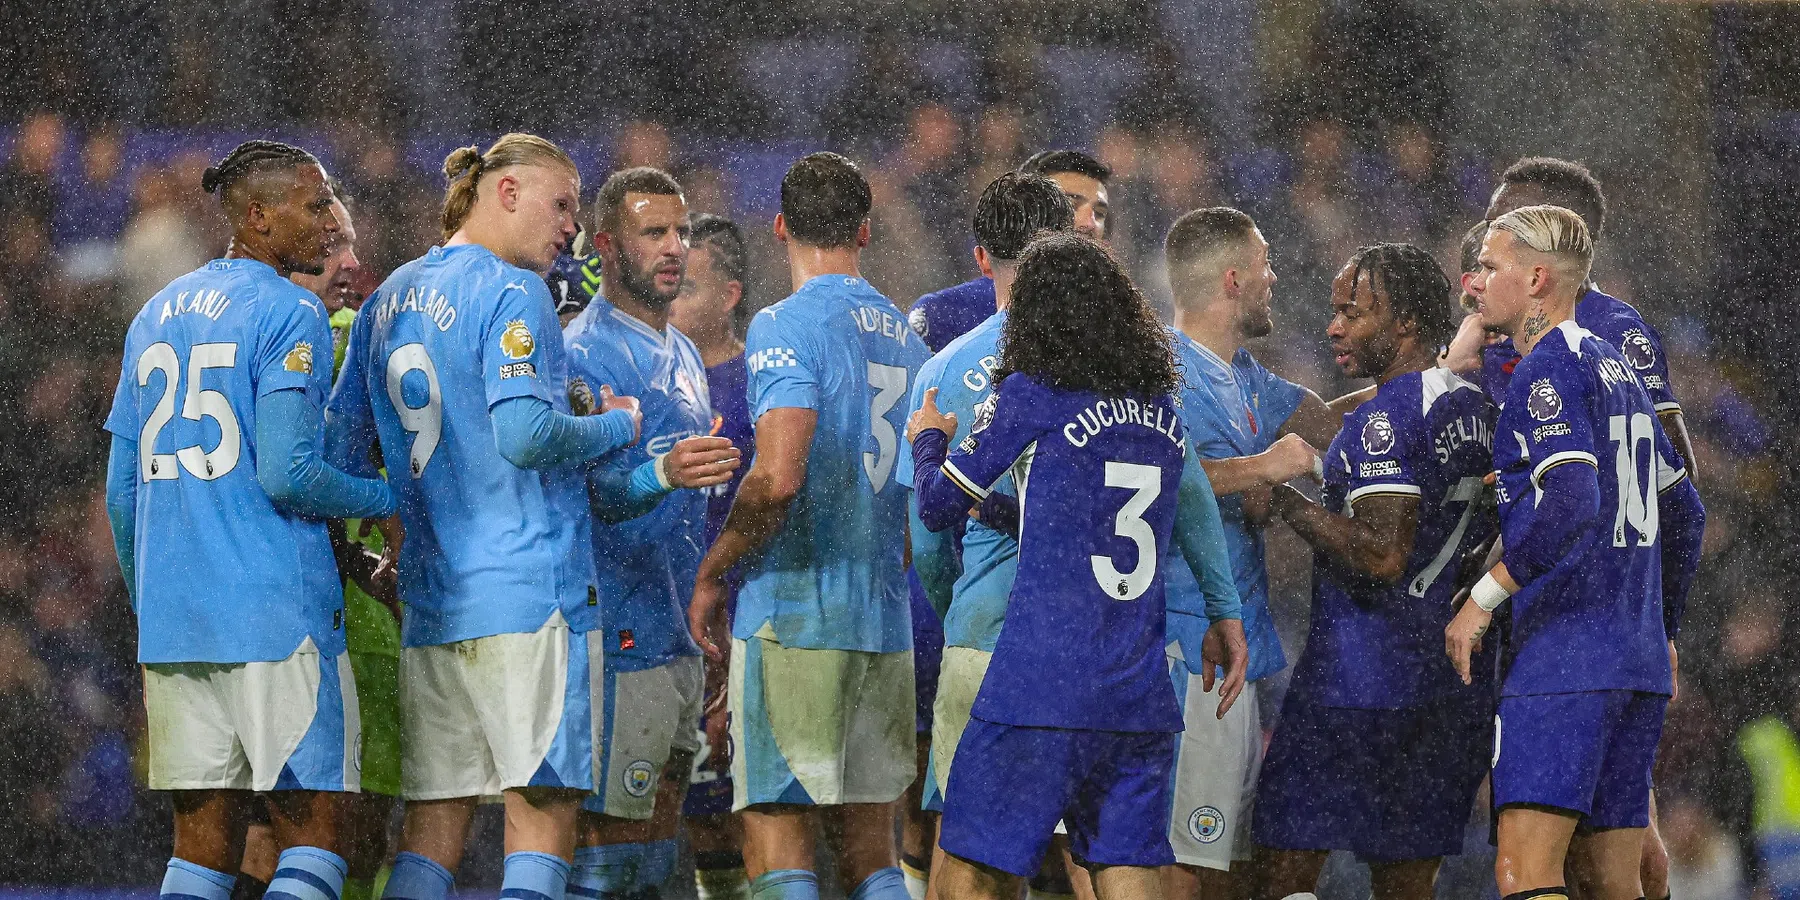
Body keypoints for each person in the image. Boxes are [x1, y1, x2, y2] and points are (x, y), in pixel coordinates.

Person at [325, 133, 642, 900]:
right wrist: (618, 424)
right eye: (561, 204)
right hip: (531, 596)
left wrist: (394, 523)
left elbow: (338, 453)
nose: (571, 227)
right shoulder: (514, 291)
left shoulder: (385, 300)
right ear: (507, 192)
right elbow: (525, 435)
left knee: (432, 833)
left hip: (434, 604)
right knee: (541, 821)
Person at [906, 232, 1247, 900]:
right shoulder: (1160, 412)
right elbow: (1176, 510)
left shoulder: (1032, 395)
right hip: (1135, 694)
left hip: (1038, 684)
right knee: (1125, 872)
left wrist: (929, 440)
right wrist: (1224, 609)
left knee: (966, 880)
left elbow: (937, 506)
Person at [103, 140, 398, 900]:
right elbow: (289, 474)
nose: (330, 219)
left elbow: (122, 494)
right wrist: (390, 498)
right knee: (319, 840)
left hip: (177, 622)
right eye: (315, 203)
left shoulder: (154, 313)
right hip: (274, 616)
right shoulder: (289, 309)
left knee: (202, 851)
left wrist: (151, 605)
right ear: (259, 216)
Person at [1445, 205, 1706, 900]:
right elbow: (1686, 511)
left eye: (1490, 267)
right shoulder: (1616, 368)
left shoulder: (1546, 370)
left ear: (1536, 279)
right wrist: (1662, 626)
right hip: (1634, 662)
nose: (1474, 282)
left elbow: (1570, 500)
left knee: (1525, 872)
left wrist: (1483, 597)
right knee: (1614, 882)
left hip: (1565, 656)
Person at [686, 151, 928, 900]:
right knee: (871, 851)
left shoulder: (782, 324)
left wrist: (714, 568)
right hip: (883, 622)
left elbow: (778, 476)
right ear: (865, 229)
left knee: (777, 831)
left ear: (780, 226)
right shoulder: (907, 336)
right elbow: (919, 507)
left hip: (796, 615)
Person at [1254, 244, 1497, 900]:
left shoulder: (1384, 420)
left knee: (1280, 875)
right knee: (1406, 886)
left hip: (1356, 679)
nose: (1334, 327)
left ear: (1406, 324)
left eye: (1354, 314)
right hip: (1444, 688)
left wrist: (1284, 502)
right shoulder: (1476, 405)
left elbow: (1382, 554)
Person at [1155, 208, 1350, 900]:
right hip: (1188, 648)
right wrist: (1261, 467)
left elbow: (1331, 423)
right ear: (1233, 279)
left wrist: (1435, 379)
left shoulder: (1243, 376)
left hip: (1236, 652)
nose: (1275, 277)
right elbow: (1153, 478)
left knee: (1225, 870)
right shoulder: (1160, 373)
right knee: (1184, 867)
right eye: (1265, 264)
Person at [564, 167, 742, 900]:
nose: (674, 247)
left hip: (673, 628)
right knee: (608, 851)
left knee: (657, 849)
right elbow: (582, 496)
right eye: (653, 233)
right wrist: (661, 474)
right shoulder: (582, 353)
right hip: (617, 630)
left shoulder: (685, 354)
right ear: (606, 245)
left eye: (681, 232)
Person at [896, 171, 1073, 897]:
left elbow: (928, 541)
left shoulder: (944, 370)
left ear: (980, 259)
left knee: (969, 847)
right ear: (1067, 246)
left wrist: (960, 612)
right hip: (1086, 637)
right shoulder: (1113, 363)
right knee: (1089, 847)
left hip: (983, 630)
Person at [669, 212, 758, 900]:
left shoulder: (761, 385)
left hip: (734, 621)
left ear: (729, 295)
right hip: (659, 616)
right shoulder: (651, 375)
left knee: (741, 809)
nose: (671, 300)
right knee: (680, 807)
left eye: (688, 288)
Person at [907, 150, 1112, 354]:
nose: (1090, 224)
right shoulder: (945, 314)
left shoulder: (1113, 319)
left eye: (1099, 213)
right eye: (1070, 204)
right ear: (1021, 206)